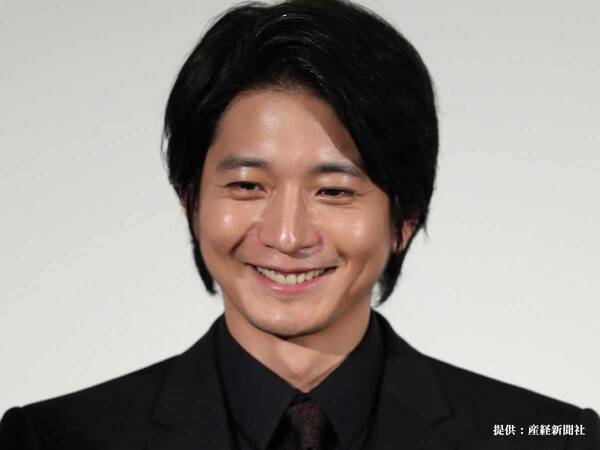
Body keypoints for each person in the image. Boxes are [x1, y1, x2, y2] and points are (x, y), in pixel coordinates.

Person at [1, 0, 598, 449]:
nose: (287, 236)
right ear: (190, 201)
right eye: (247, 186)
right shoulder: (50, 439)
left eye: (334, 191)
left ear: (404, 220)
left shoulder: (549, 437)